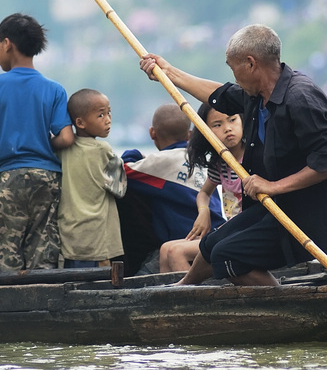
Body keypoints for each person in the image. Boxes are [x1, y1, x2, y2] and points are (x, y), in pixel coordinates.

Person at [139, 24, 327, 286]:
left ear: (251, 63)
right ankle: (184, 287)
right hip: (274, 209)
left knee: (226, 255)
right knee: (210, 244)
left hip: (305, 217)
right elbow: (218, 95)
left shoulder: (300, 99)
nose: (233, 74)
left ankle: (285, 306)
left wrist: (273, 186)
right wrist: (169, 72)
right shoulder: (258, 96)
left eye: (233, 67)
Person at [0, 13, 74, 272]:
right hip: (47, 177)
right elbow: (67, 138)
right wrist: (42, 145)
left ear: (7, 43)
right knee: (43, 254)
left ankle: (11, 306)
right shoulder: (54, 89)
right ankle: (42, 306)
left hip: (8, 177)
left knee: (6, 255)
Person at [117, 104, 223, 274]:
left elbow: (122, 170)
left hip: (184, 242)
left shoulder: (160, 162)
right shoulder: (202, 161)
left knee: (138, 280)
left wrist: (135, 153)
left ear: (152, 133)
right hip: (215, 234)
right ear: (189, 135)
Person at [159, 103, 245, 273]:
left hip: (245, 231)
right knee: (164, 250)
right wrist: (204, 211)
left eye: (232, 120)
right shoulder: (219, 163)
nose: (228, 129)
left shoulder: (254, 156)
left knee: (177, 252)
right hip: (230, 230)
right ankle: (171, 298)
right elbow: (204, 193)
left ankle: (191, 297)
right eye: (217, 125)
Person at [58, 88, 127, 268]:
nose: (108, 119)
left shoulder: (63, 148)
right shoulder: (103, 150)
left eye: (109, 112)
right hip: (96, 236)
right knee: (99, 284)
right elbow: (119, 189)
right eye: (101, 115)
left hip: (69, 234)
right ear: (80, 122)